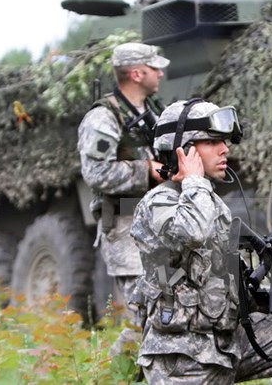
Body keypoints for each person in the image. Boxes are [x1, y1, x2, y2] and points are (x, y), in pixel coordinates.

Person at [130, 99, 272, 384]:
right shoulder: (158, 202)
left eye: (224, 142)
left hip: (223, 344)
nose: (225, 149)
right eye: (212, 142)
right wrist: (194, 181)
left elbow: (219, 275)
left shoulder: (208, 202)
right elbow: (192, 232)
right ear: (184, 151)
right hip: (181, 358)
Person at [77, 42, 168, 353]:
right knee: (143, 316)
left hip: (154, 226)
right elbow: (96, 173)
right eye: (155, 67)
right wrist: (146, 170)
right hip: (123, 227)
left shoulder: (149, 113)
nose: (161, 72)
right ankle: (117, 372)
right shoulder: (102, 118)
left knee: (164, 309)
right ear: (136, 73)